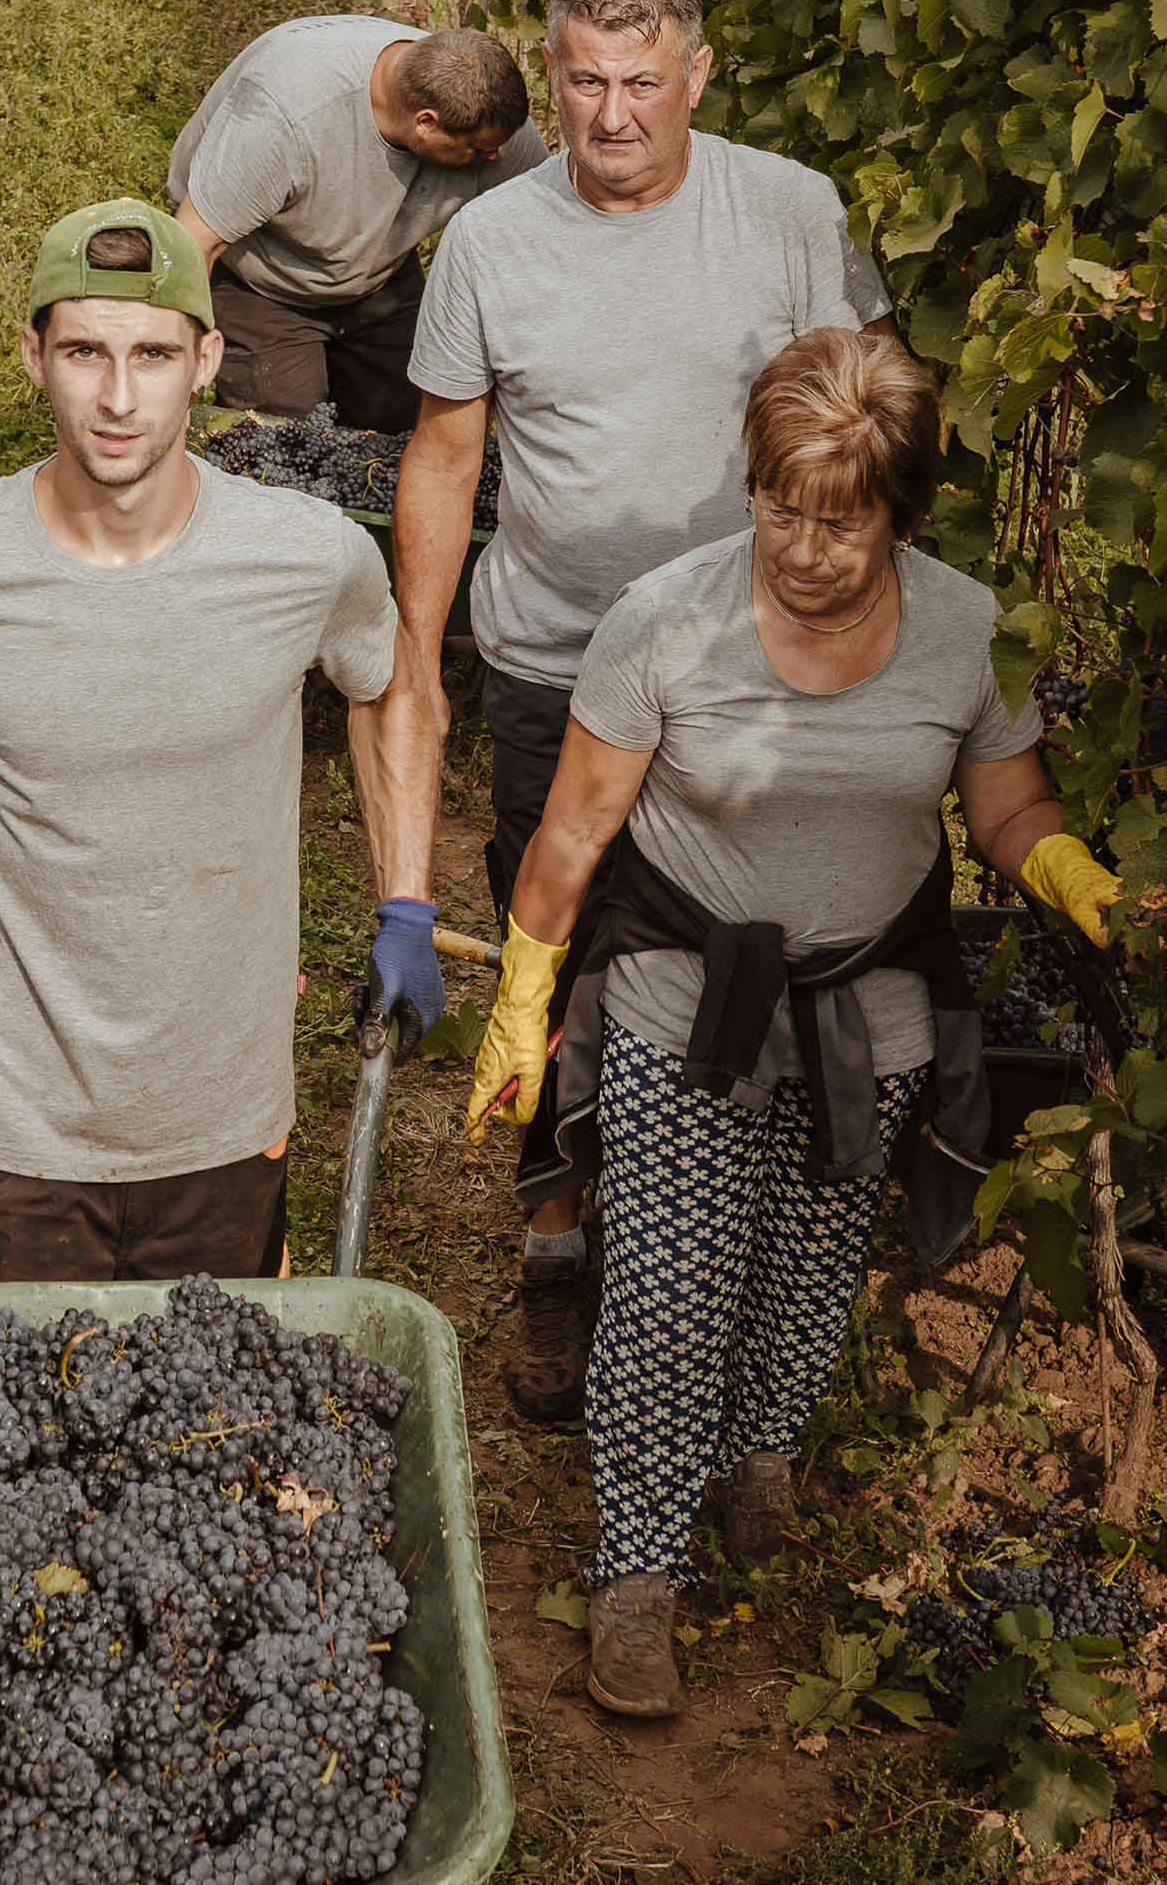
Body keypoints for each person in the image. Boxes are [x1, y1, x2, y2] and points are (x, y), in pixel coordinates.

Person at [464, 330, 1120, 1717]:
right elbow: (572, 832)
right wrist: (524, 1000)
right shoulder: (663, 623)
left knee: (811, 1267)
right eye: (779, 511)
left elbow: (1005, 805)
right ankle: (637, 1575)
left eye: (841, 522)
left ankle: (756, 1452)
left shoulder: (962, 632)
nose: (805, 551)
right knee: (667, 1294)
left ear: (902, 513)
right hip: (685, 1004)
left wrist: (1068, 872)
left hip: (866, 1013)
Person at [393, 0, 896, 1425]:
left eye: (641, 83)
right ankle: (557, 1238)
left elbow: (870, 416)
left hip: (753, 670)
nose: (611, 116)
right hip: (554, 659)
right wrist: (417, 657)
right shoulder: (490, 242)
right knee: (552, 950)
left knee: (728, 957)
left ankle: (707, 1269)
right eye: (583, 83)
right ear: (550, 77)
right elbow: (444, 454)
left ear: (697, 76)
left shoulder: (790, 214)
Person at [0, 197, 442, 1283]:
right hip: (10, 1115)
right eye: (85, 352)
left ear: (206, 361)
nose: (119, 397)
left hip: (223, 1106)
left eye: (153, 355)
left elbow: (390, 691)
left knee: (213, 1386)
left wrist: (406, 905)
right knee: (10, 1388)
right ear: (32, 357)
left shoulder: (308, 560)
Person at [168, 16, 543, 433]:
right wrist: (176, 378)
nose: (493, 159)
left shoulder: (491, 119)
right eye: (476, 150)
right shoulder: (286, 116)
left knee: (412, 430)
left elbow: (546, 232)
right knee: (284, 439)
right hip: (262, 284)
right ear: (426, 122)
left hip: (379, 275)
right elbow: (193, 243)